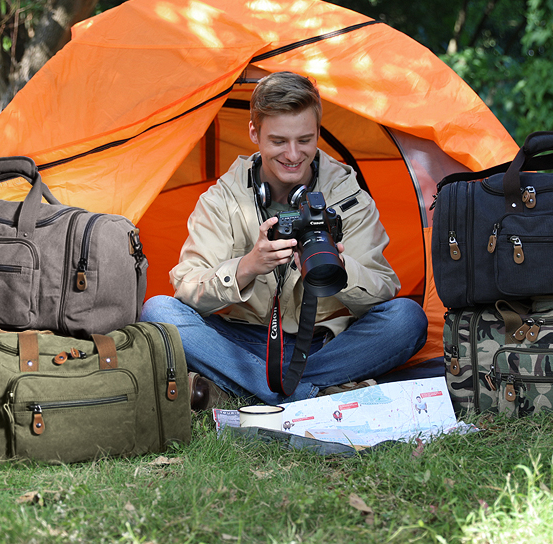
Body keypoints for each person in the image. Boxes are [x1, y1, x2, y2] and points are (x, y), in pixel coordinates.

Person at [140, 71, 427, 408]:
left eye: (305, 140)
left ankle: (246, 390)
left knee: (408, 318)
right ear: (254, 133)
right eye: (278, 141)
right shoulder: (222, 199)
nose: (293, 155)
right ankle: (312, 395)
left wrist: (339, 269)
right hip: (243, 342)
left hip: (326, 342)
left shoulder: (349, 196)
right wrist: (246, 267)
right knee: (159, 311)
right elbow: (187, 289)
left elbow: (383, 291)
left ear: (318, 133)